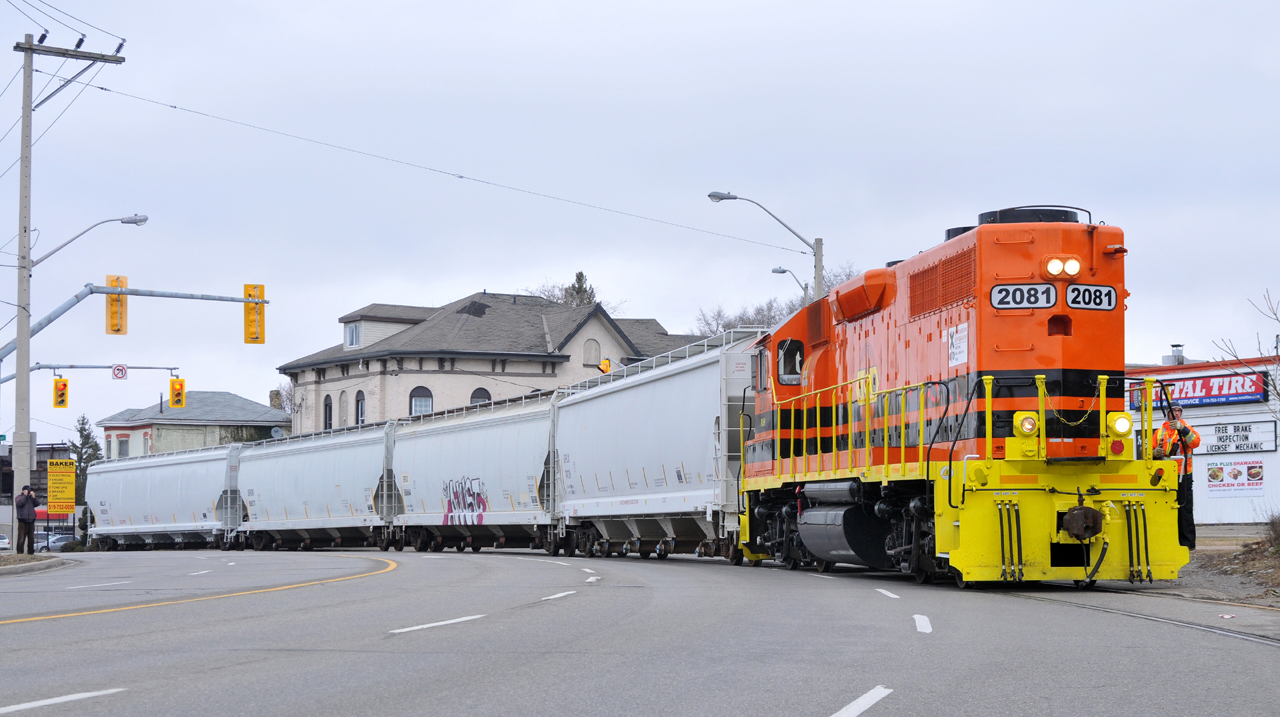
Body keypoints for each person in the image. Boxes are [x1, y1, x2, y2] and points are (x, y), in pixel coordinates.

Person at [1153, 402, 1201, 549]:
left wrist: (1183, 430)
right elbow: (1150, 451)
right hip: (1165, 475)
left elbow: (1195, 442)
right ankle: (1168, 541)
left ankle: (1187, 543)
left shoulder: (1187, 429)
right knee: (1165, 509)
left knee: (1184, 509)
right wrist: (1155, 453)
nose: (1176, 414)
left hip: (1183, 474)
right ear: (1167, 413)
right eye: (1173, 411)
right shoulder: (1160, 431)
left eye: (1178, 411)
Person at [14, 485, 39, 555]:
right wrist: (25, 496)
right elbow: (20, 504)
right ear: (23, 490)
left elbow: (37, 504)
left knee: (31, 538)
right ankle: (19, 552)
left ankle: (31, 552)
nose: (29, 491)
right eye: (28, 490)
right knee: (21, 537)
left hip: (31, 520)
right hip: (22, 520)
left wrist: (34, 497)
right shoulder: (19, 497)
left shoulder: (31, 499)